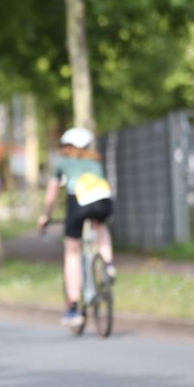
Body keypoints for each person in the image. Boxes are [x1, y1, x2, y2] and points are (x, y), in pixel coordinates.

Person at [37, 127, 116, 328]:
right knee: (100, 226)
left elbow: (52, 192)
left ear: (69, 146)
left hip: (78, 202)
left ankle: (73, 307)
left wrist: (46, 215)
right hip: (103, 201)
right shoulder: (95, 160)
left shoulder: (62, 162)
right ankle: (108, 264)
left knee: (72, 252)